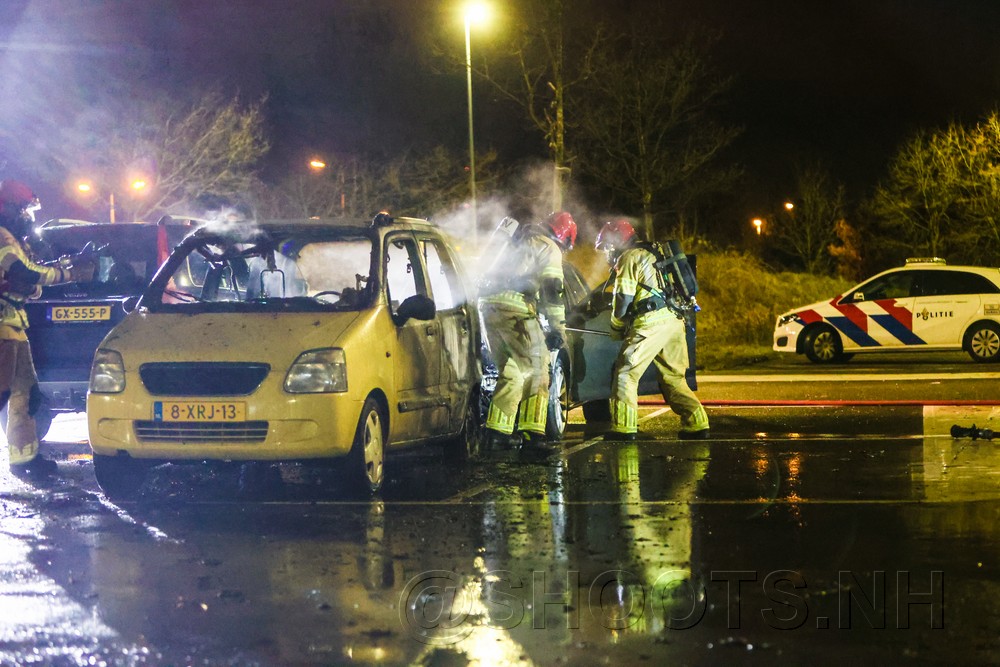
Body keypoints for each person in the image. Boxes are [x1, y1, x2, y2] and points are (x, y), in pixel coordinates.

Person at [0, 180, 96, 477]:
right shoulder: (2, 235)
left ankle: (24, 460)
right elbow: (25, 271)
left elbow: (29, 281)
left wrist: (36, 280)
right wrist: (70, 273)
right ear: (12, 208)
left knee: (25, 395)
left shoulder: (14, 238)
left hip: (13, 325)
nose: (29, 216)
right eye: (26, 210)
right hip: (2, 327)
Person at [595, 219, 709, 440]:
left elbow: (623, 299)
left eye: (608, 246)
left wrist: (616, 327)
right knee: (673, 377)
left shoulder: (628, 257)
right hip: (674, 320)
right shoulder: (652, 253)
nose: (607, 252)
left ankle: (623, 429)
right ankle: (697, 423)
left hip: (651, 323)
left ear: (616, 241)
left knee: (626, 373)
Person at [478, 211, 576, 457]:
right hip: (516, 309)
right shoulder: (549, 247)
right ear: (565, 238)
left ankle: (497, 434)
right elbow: (553, 288)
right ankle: (533, 435)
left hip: (488, 307)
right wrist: (557, 327)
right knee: (538, 369)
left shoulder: (519, 240)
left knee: (511, 371)